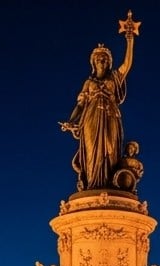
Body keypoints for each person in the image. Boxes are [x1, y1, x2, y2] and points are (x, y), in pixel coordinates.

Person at [59, 21, 136, 191]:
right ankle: (92, 183)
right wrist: (71, 121)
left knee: (110, 150)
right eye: (98, 58)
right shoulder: (89, 83)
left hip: (110, 117)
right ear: (93, 63)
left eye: (105, 58)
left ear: (109, 62)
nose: (101, 60)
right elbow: (80, 105)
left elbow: (127, 65)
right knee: (92, 151)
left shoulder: (114, 77)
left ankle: (110, 183)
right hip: (90, 119)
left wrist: (129, 40)